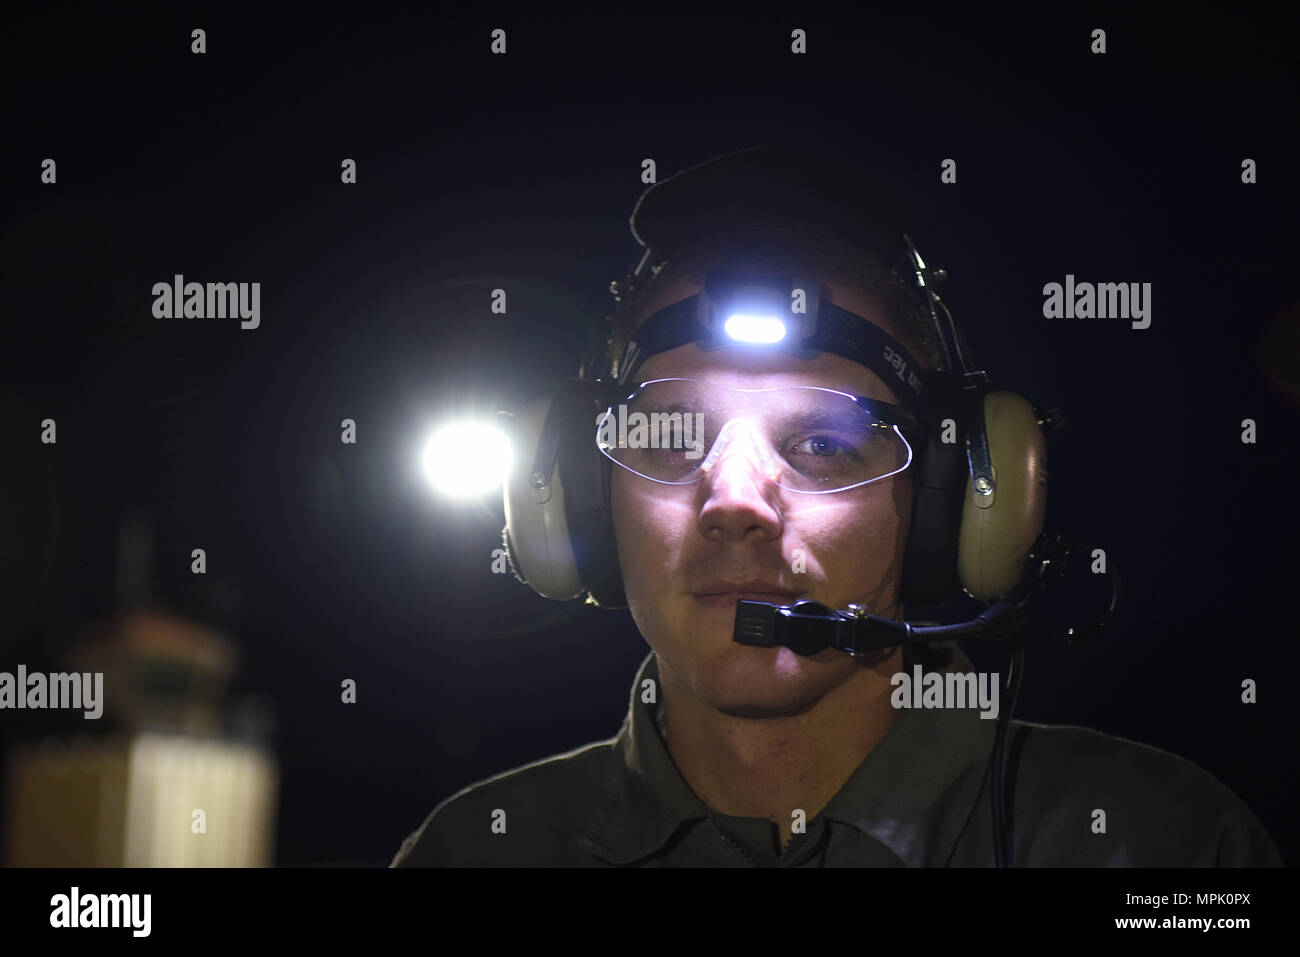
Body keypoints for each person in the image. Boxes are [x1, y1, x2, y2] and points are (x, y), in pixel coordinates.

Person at [391, 147, 1282, 867]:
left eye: (820, 443)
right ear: (582, 493)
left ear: (948, 504)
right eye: (670, 434)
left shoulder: (1161, 848)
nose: (733, 502)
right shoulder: (469, 850)